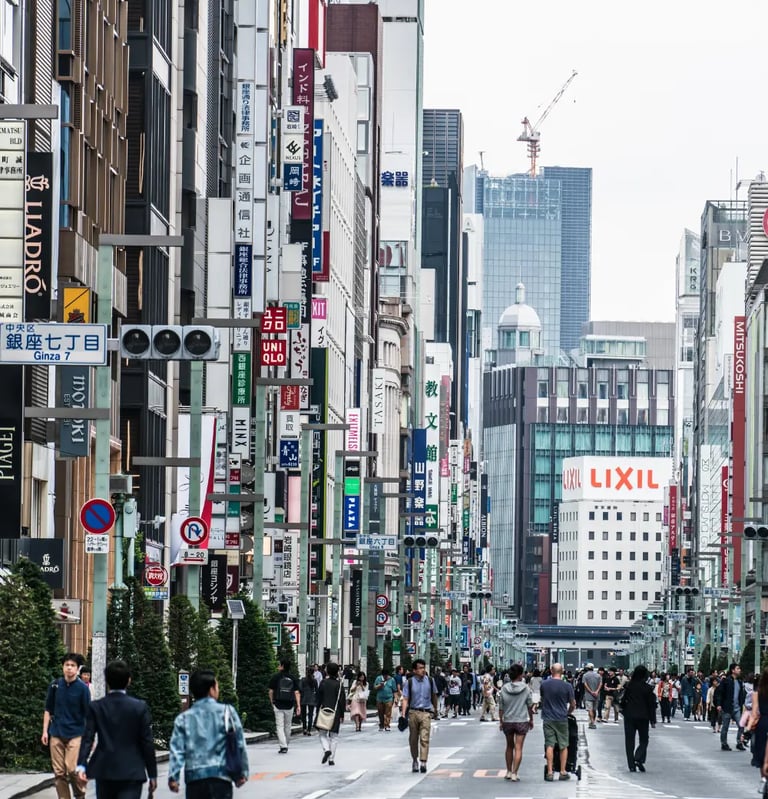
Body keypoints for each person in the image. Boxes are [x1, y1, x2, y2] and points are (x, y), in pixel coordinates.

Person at [75, 660, 157, 799]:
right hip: (132, 769)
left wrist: (81, 765)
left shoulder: (97, 707)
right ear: (129, 680)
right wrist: (152, 774)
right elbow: (147, 742)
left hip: (104, 768)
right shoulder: (139, 707)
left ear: (106, 680)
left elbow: (87, 737)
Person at [168, 669, 248, 798]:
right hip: (221, 777)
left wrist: (173, 777)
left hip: (194, 779)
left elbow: (177, 749)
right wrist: (242, 773)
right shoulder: (227, 712)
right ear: (211, 690)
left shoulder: (184, 718)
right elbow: (239, 744)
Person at [42, 652, 92, 799]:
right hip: (56, 733)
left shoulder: (83, 688)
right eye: (67, 665)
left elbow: (88, 714)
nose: (69, 668)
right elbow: (48, 709)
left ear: (77, 669)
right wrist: (45, 731)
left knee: (71, 769)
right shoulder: (55, 685)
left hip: (76, 733)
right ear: (63, 667)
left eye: (72, 666)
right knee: (59, 772)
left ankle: (80, 794)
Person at [539, 662, 575, 782]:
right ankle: (563, 771)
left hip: (548, 718)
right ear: (563, 671)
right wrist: (568, 712)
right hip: (562, 718)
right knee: (563, 745)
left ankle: (550, 771)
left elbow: (542, 699)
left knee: (549, 744)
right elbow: (573, 703)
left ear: (551, 670)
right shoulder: (568, 686)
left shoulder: (544, 684)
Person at [497, 663, 533, 782]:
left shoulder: (504, 688)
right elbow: (529, 705)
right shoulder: (526, 688)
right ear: (520, 674)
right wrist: (531, 719)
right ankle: (514, 773)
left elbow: (501, 707)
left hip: (508, 720)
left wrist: (501, 721)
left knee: (509, 746)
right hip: (521, 720)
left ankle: (508, 771)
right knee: (518, 747)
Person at [401, 658, 438, 774]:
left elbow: (434, 695)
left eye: (423, 668)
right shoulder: (409, 682)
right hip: (413, 712)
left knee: (424, 737)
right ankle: (414, 760)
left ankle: (423, 761)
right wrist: (403, 714)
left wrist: (435, 710)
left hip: (426, 712)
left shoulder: (430, 681)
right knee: (413, 738)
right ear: (414, 670)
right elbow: (405, 698)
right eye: (420, 668)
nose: (423, 670)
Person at [620, 665, 657, 773]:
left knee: (629, 741)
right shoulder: (648, 688)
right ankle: (639, 757)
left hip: (629, 716)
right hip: (643, 717)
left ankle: (631, 765)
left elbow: (623, 700)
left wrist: (623, 710)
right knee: (644, 739)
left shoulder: (629, 686)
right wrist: (652, 720)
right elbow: (651, 705)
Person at [268, 659, 301, 754]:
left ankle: (283, 746)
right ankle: (286, 743)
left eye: (279, 665)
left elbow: (270, 691)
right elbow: (297, 692)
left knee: (279, 725)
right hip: (290, 704)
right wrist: (298, 705)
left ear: (282, 666)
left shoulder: (276, 677)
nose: (278, 666)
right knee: (288, 725)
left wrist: (272, 702)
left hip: (278, 704)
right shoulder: (293, 678)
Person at [316, 662, 346, 765]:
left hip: (324, 710)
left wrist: (317, 711)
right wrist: (342, 714)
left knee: (322, 734)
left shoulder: (323, 683)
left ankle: (326, 749)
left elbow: (318, 698)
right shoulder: (339, 684)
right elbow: (342, 700)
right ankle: (331, 759)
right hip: (336, 712)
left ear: (327, 671)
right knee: (334, 736)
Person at [715, 662, 746, 751]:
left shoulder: (740, 682)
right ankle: (724, 743)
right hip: (727, 707)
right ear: (733, 670)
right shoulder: (726, 681)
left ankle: (739, 742)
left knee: (741, 725)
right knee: (725, 727)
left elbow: (741, 695)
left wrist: (742, 705)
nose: (739, 670)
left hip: (737, 708)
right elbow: (720, 693)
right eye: (738, 668)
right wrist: (719, 704)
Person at [752, 667, 768, 769]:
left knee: (762, 755)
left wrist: (748, 730)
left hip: (763, 722)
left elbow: (754, 713)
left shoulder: (758, 693)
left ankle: (763, 778)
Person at [299, 666, 318, 735]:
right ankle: (309, 730)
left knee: (303, 715)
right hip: (312, 698)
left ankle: (304, 728)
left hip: (304, 698)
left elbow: (300, 688)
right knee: (310, 714)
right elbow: (317, 690)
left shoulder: (303, 680)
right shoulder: (314, 680)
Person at [581, 663, 601, 729]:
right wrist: (596, 691)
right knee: (594, 710)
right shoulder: (598, 675)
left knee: (590, 710)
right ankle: (593, 721)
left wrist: (591, 692)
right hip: (597, 695)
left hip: (588, 695)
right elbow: (600, 684)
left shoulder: (585, 675)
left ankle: (592, 722)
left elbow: (585, 685)